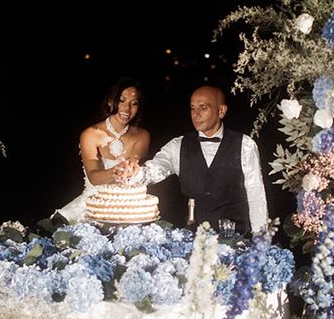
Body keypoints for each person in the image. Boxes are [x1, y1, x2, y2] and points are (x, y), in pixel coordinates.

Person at [126, 85, 268, 234]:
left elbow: (256, 195)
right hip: (193, 240)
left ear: (221, 111)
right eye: (193, 108)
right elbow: (155, 169)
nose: (195, 114)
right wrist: (136, 173)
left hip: (236, 240)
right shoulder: (178, 145)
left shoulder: (245, 145)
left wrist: (261, 240)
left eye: (203, 108)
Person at [53, 78, 150, 222]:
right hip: (92, 205)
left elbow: (135, 167)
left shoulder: (143, 136)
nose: (127, 108)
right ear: (110, 101)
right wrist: (116, 172)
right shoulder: (90, 134)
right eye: (121, 101)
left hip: (128, 210)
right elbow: (94, 177)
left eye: (134, 103)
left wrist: (131, 168)